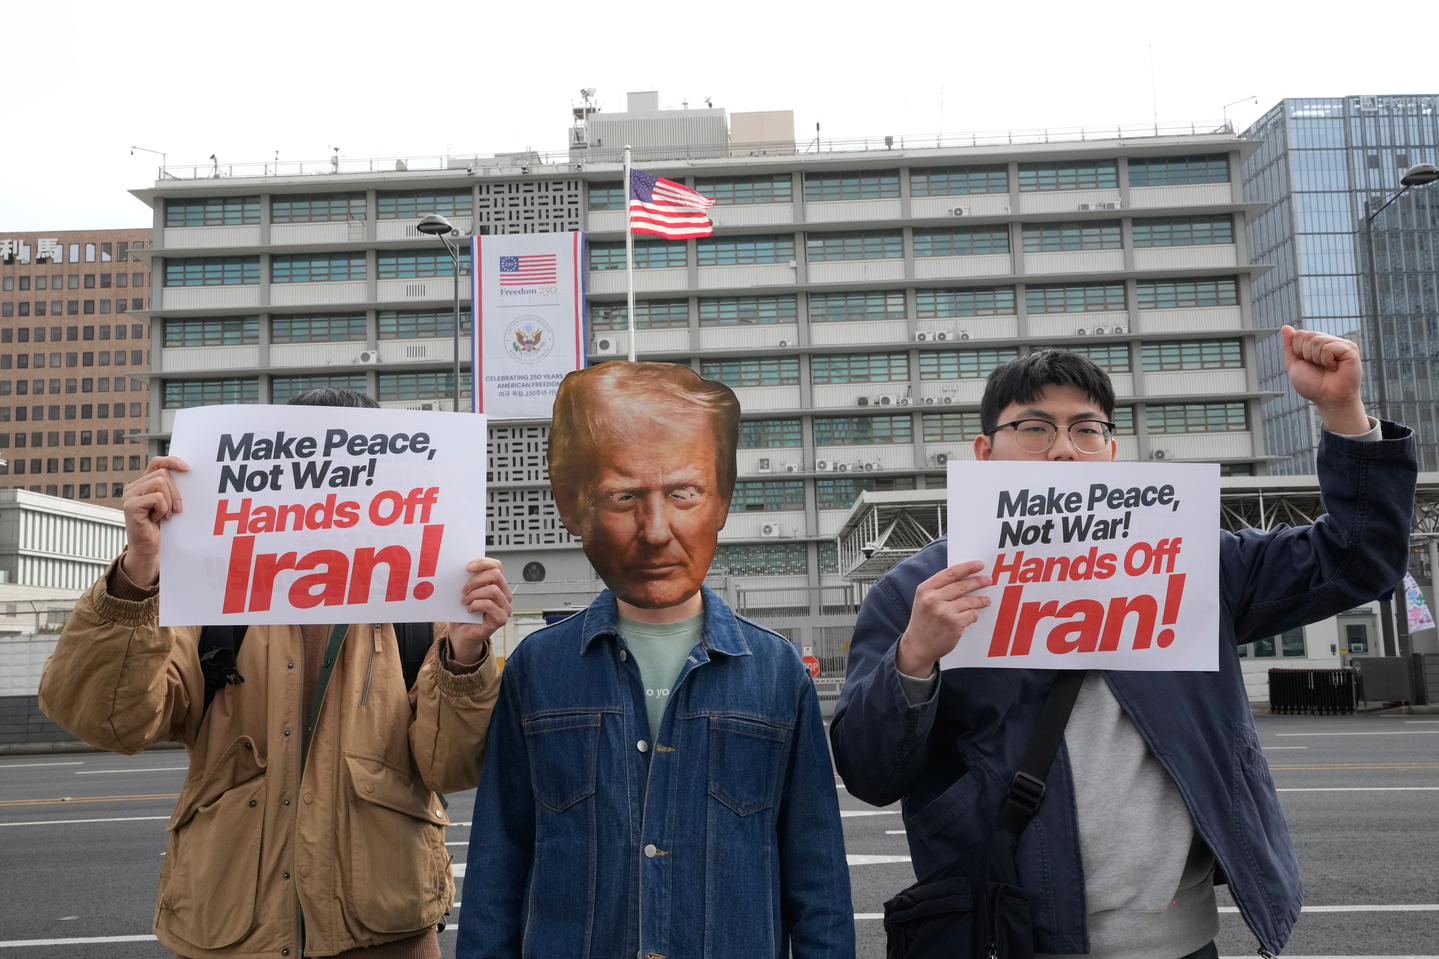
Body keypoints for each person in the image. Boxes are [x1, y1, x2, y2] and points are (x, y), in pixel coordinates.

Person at [830, 327, 1418, 959]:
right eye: (1034, 428)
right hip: (1010, 931)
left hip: (1183, 940)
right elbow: (867, 771)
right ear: (985, 450)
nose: (1064, 451)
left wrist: (1342, 412)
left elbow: (1357, 562)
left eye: (1087, 429)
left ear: (1112, 450)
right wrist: (914, 658)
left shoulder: (1187, 558)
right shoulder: (917, 590)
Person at [39, 388, 513, 959]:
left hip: (386, 932)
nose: (334, 484)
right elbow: (110, 723)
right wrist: (137, 574)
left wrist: (464, 658)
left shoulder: (423, 598)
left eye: (359, 467)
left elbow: (451, 767)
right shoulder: (209, 595)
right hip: (230, 933)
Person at [456, 362, 853, 959]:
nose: (656, 529)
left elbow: (816, 879)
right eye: (623, 496)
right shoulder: (536, 669)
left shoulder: (776, 673)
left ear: (722, 499)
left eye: (684, 492)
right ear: (573, 506)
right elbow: (498, 866)